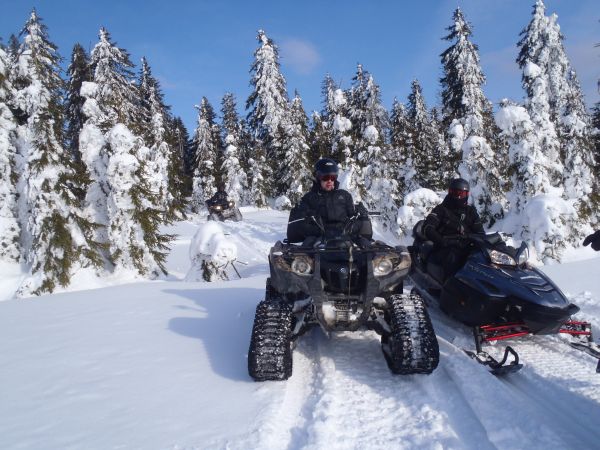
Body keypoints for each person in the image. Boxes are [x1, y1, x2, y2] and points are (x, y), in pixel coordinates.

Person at [287, 158, 371, 243]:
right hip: (318, 240)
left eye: (333, 177)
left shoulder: (344, 196)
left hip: (345, 238)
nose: (329, 181)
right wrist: (316, 228)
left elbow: (353, 218)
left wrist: (361, 216)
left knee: (365, 243)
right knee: (308, 242)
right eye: (325, 177)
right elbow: (302, 225)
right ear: (318, 178)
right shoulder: (309, 198)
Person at [422, 178, 484, 280]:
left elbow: (480, 233)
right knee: (453, 258)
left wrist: (480, 240)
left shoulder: (470, 211)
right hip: (444, 248)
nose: (458, 196)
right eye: (455, 193)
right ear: (450, 193)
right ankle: (449, 286)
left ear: (467, 194)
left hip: (466, 247)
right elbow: (428, 227)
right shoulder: (441, 209)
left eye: (461, 194)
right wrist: (443, 241)